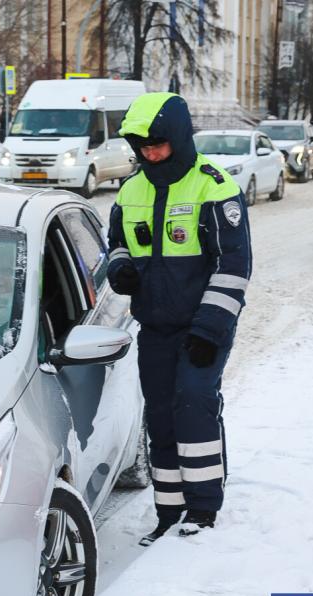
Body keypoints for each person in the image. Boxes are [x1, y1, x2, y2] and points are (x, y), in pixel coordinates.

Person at [106, 93, 253, 545]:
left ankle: (204, 509)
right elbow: (116, 245)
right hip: (155, 325)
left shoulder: (214, 186)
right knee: (161, 414)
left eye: (159, 145)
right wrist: (120, 268)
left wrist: (209, 329)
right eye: (142, 146)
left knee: (193, 402)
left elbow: (235, 264)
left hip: (204, 325)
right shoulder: (131, 189)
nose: (151, 153)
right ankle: (169, 512)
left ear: (179, 138)